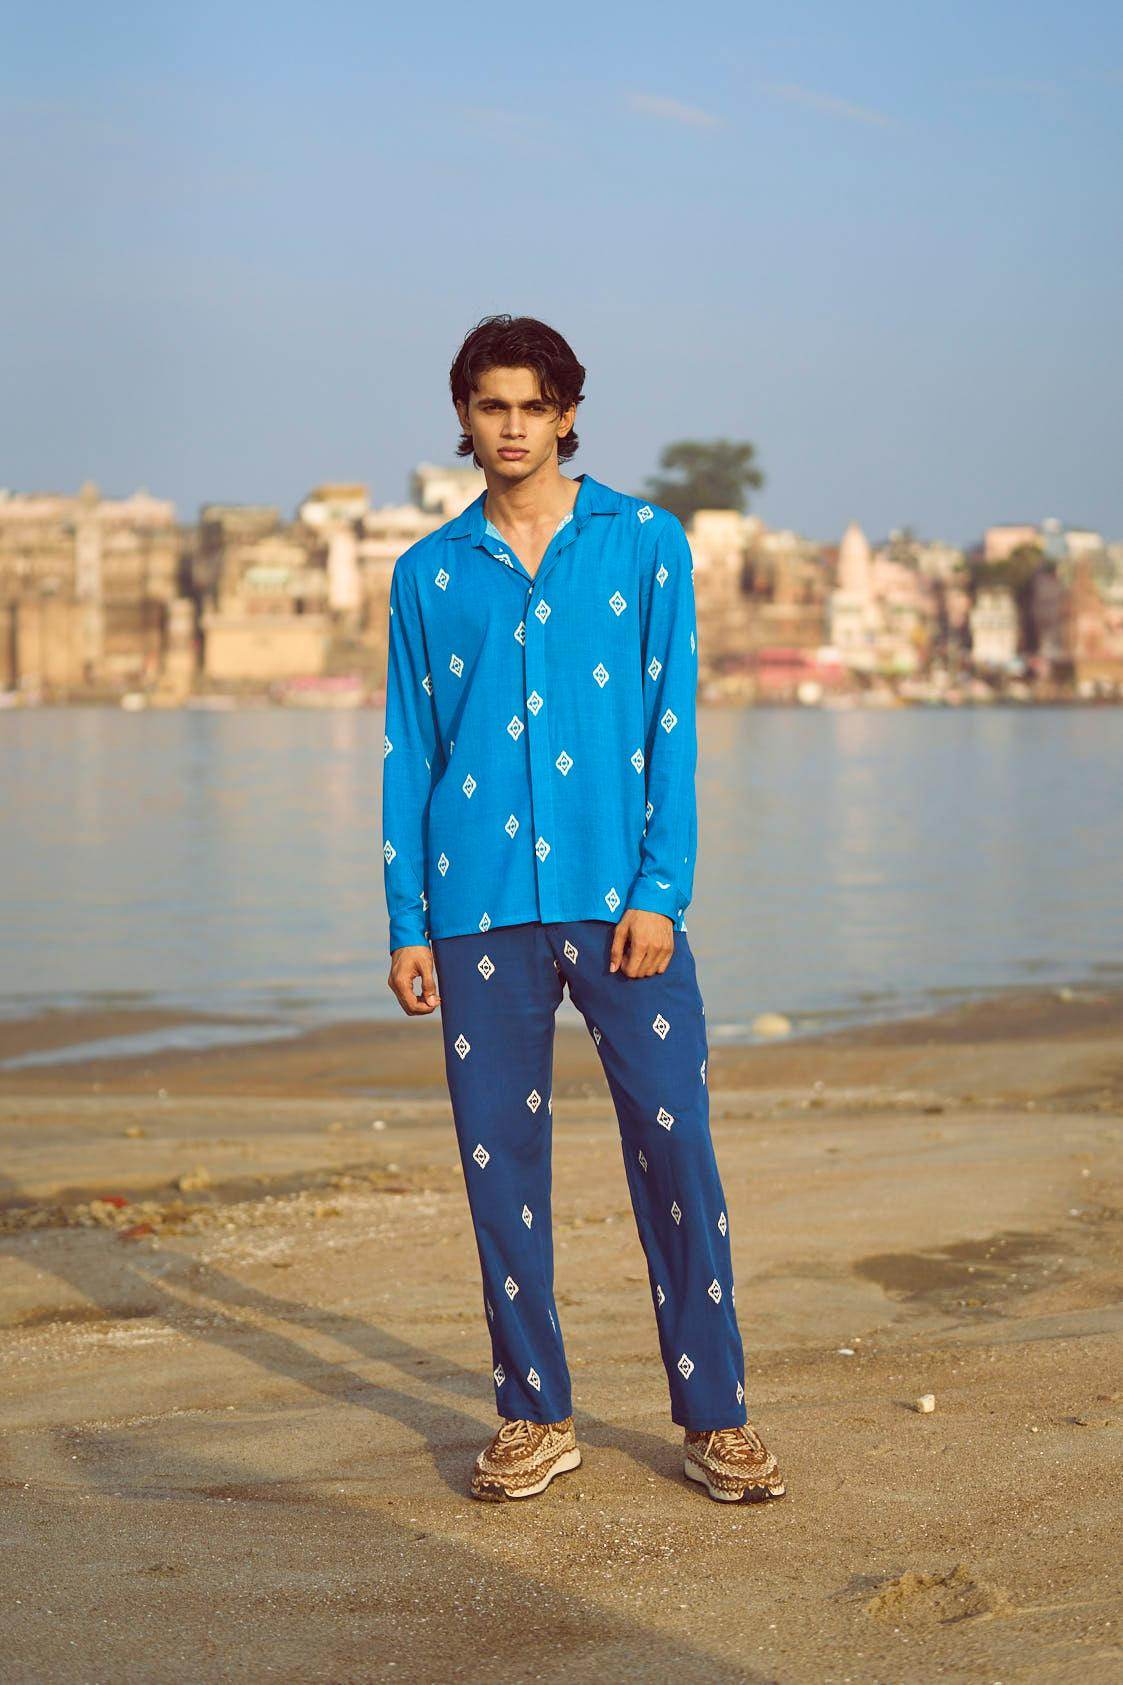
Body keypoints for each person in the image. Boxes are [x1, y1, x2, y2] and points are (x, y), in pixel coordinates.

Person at [381, 313, 785, 1506]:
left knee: (676, 1145)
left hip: (621, 905)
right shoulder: (428, 572)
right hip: (478, 906)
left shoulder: (643, 542)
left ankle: (715, 1416)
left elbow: (673, 726)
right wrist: (406, 919)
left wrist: (661, 888)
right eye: (489, 406)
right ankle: (533, 1413)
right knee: (497, 1165)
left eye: (532, 406)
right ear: (464, 417)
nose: (511, 428)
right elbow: (410, 752)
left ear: (566, 415)